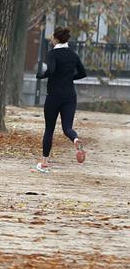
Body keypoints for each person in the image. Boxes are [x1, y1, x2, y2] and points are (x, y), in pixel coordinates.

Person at [34, 26, 87, 173]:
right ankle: (75, 139)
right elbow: (83, 73)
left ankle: (44, 163)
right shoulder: (73, 55)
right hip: (70, 96)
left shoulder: (53, 54)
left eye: (52, 37)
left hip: (54, 97)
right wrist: (69, 77)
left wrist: (41, 75)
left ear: (56, 39)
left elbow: (50, 70)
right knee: (67, 128)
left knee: (49, 129)